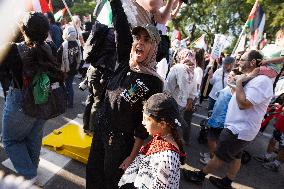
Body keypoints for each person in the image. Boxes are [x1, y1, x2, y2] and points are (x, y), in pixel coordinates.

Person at [85, 23, 164, 188]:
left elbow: (143, 126)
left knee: (110, 182)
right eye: (137, 38)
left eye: (146, 40)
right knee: (93, 175)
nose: (139, 43)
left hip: (120, 144)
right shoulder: (124, 64)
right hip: (101, 131)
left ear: (154, 47)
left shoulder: (154, 82)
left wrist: (132, 156)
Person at [183, 50, 273, 189]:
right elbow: (235, 95)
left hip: (239, 129)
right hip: (238, 128)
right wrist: (239, 81)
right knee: (236, 156)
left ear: (253, 62)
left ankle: (199, 176)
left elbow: (243, 104)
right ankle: (226, 182)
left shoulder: (262, 81)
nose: (238, 62)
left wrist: (240, 82)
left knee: (219, 155)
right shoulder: (252, 77)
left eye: (242, 59)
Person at [0, 12, 62, 181]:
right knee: (33, 138)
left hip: (21, 101)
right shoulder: (51, 47)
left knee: (10, 140)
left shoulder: (13, 50)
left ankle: (29, 175)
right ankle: (32, 170)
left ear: (24, 29)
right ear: (46, 31)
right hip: (44, 100)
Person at [118, 93, 186, 188]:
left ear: (162, 124)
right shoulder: (163, 137)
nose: (143, 122)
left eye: (147, 119)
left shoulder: (167, 159)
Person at [200, 68, 242, 165]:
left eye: (232, 76)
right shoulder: (229, 86)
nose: (229, 77)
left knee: (211, 139)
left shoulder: (234, 90)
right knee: (213, 140)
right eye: (229, 75)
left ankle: (212, 159)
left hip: (220, 121)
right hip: (216, 117)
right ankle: (211, 155)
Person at [165, 48, 197, 145]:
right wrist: (188, 100)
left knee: (168, 123)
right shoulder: (192, 71)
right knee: (174, 122)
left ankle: (169, 142)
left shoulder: (178, 68)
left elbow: (169, 87)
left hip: (172, 100)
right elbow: (193, 91)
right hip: (181, 103)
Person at [57, 25, 81, 108]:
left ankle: (67, 102)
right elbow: (79, 57)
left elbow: (58, 58)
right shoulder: (77, 43)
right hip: (74, 69)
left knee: (66, 86)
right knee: (69, 85)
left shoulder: (64, 45)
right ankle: (70, 102)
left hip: (66, 70)